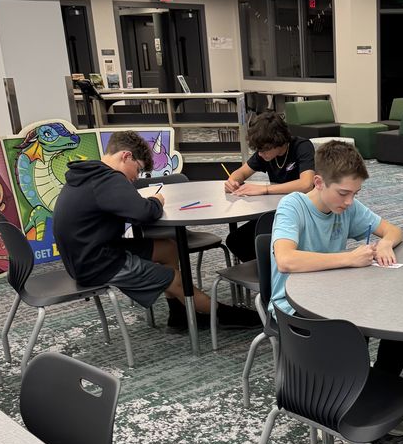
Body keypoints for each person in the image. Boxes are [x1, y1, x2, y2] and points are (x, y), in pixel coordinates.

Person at [270, 140, 403, 444]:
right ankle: (339, 415)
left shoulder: (346, 205)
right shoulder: (293, 206)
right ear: (319, 183)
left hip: (335, 299)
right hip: (294, 311)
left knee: (399, 325)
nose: (349, 202)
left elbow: (393, 230)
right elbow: (286, 260)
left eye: (355, 194)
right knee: (349, 334)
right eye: (343, 193)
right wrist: (347, 259)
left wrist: (386, 242)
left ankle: (373, 402)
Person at [53, 130, 258, 331]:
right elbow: (144, 213)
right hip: (98, 263)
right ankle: (223, 316)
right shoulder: (109, 180)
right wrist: (155, 201)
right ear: (126, 156)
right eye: (139, 169)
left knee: (168, 248)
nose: (136, 177)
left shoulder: (90, 174)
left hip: (87, 255)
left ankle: (178, 315)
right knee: (177, 280)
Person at [224, 111, 314, 261]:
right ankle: (265, 275)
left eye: (263, 150)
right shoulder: (265, 153)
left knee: (258, 240)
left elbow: (306, 184)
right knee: (235, 240)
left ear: (278, 141)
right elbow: (240, 173)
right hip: (277, 211)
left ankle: (271, 272)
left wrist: (264, 190)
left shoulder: (302, 147)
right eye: (258, 150)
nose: (260, 154)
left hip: (302, 212)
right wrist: (232, 181)